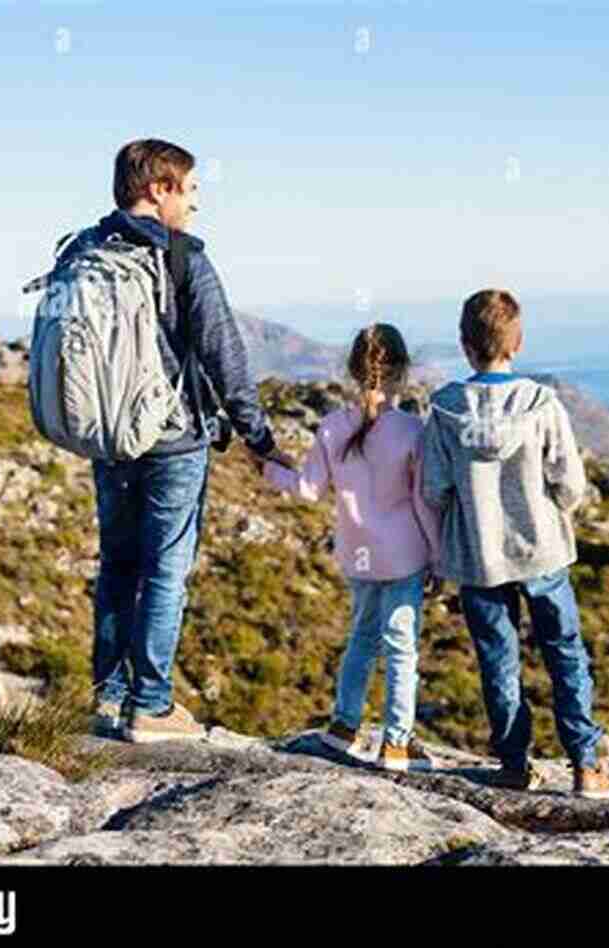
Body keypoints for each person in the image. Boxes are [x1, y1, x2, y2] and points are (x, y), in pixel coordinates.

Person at [70, 138, 293, 742]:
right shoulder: (182, 257)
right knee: (166, 570)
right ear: (159, 189)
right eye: (190, 190)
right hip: (172, 439)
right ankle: (151, 704)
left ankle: (106, 696)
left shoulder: (86, 250)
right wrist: (259, 437)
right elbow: (225, 354)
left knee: (117, 564)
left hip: (110, 438)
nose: (195, 205)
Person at [419, 289, 609, 798]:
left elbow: (434, 490)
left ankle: (512, 762)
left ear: (465, 345)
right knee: (565, 650)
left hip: (479, 558)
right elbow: (570, 483)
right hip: (543, 551)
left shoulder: (443, 409)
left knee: (497, 657)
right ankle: (586, 765)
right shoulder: (541, 403)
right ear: (518, 343)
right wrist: (552, 508)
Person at [259, 323, 441, 772]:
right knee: (401, 648)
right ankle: (396, 743)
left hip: (357, 555)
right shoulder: (411, 430)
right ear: (401, 372)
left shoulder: (332, 426)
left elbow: (305, 490)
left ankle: (343, 726)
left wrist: (266, 467)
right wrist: (438, 555)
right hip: (404, 555)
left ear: (352, 371)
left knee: (361, 638)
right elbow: (423, 500)